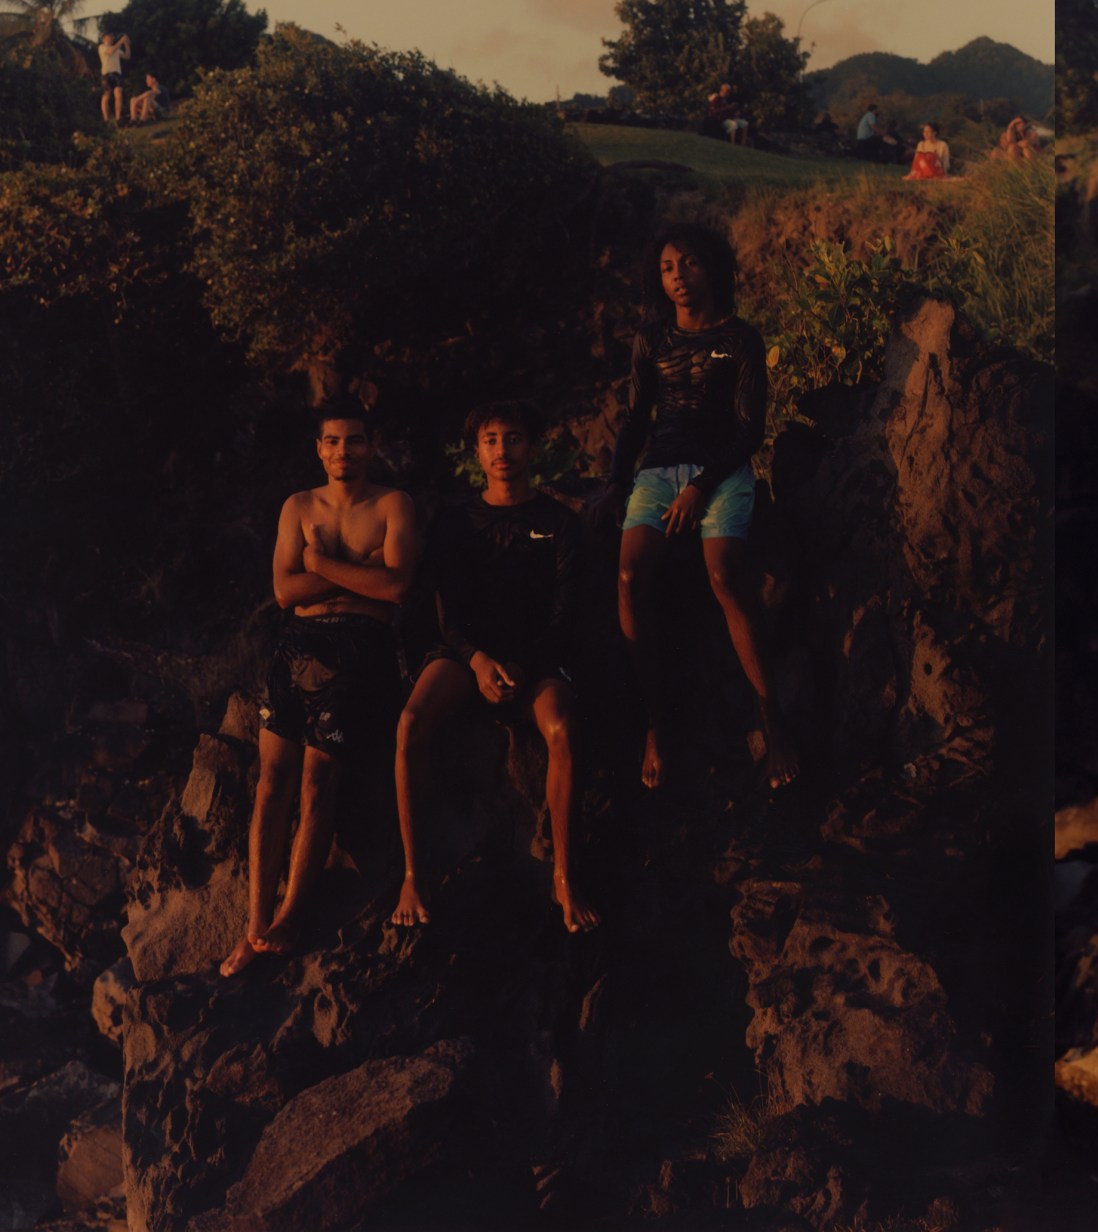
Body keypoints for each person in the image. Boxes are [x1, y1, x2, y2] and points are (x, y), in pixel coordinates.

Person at [223, 409, 418, 977]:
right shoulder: (298, 506)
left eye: (355, 441)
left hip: (360, 650)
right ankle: (253, 925)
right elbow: (286, 591)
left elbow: (398, 586)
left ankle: (290, 916)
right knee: (269, 786)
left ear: (371, 445)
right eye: (333, 442)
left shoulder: (393, 505)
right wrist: (356, 568)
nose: (344, 452)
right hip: (296, 647)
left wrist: (319, 563)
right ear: (319, 449)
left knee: (316, 780)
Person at [393, 404, 598, 933]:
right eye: (491, 440)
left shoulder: (559, 522)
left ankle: (565, 877)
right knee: (411, 724)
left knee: (562, 727)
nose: (503, 451)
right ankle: (414, 876)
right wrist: (478, 660)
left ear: (532, 448)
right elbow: (447, 611)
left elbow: (565, 613)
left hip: (536, 658)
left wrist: (522, 665)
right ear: (477, 451)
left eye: (513, 439)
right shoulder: (456, 521)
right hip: (467, 656)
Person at [610, 225, 800, 792]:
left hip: (722, 470)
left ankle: (774, 722)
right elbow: (635, 420)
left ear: (711, 269)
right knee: (626, 575)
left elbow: (750, 429)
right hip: (659, 471)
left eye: (689, 264)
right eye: (668, 268)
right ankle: (654, 727)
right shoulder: (651, 340)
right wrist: (618, 484)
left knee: (724, 575)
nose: (679, 277)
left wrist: (702, 487)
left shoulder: (740, 338)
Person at [97, 32, 133, 126]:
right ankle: (106, 120)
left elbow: (127, 56)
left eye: (112, 37)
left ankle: (118, 118)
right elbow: (110, 52)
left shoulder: (116, 48)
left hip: (116, 73)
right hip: (106, 74)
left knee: (118, 94)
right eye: (109, 37)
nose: (112, 38)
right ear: (104, 38)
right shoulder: (102, 47)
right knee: (106, 96)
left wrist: (126, 44)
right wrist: (121, 40)